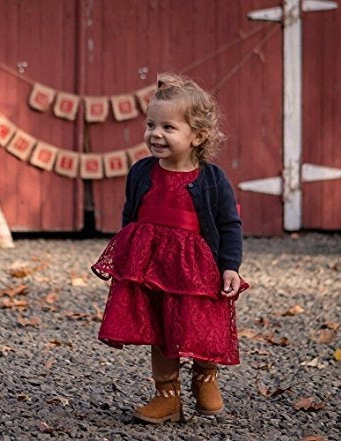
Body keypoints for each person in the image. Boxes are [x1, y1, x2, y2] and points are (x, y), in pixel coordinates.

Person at [91, 73, 249, 424]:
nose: (155, 134)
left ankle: (205, 377)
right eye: (150, 125)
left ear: (198, 135)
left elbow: (229, 226)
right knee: (160, 329)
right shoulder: (142, 172)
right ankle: (167, 395)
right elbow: (130, 217)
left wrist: (230, 266)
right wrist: (125, 260)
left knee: (201, 325)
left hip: (196, 269)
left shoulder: (212, 179)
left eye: (168, 127)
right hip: (152, 268)